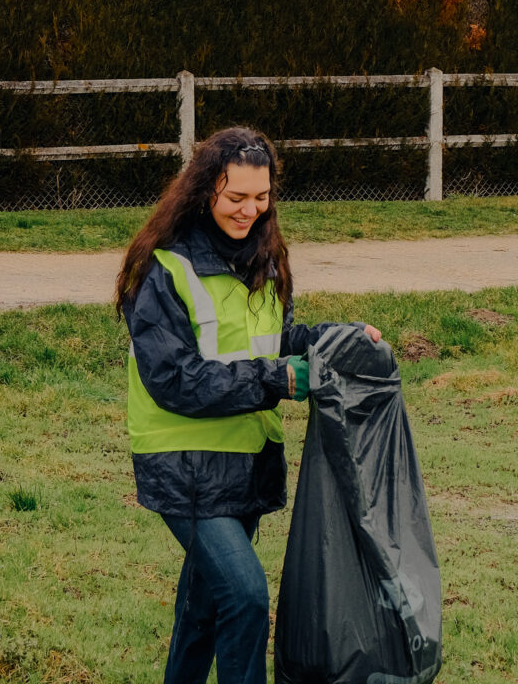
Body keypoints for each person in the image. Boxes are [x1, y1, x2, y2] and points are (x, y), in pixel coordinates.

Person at [116, 125, 381, 684]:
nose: (249, 211)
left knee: (204, 609)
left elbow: (276, 342)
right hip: (182, 461)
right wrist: (277, 381)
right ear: (205, 189)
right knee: (244, 595)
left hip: (245, 461)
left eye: (261, 199)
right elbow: (174, 379)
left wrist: (342, 338)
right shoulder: (165, 269)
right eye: (236, 198)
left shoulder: (267, 260)